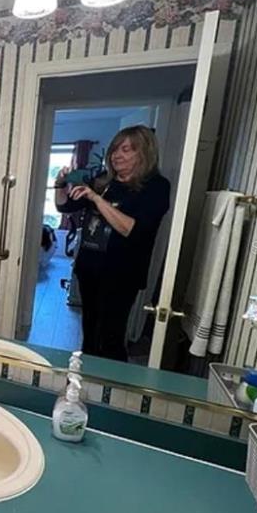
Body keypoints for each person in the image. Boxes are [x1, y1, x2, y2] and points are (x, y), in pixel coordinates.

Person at [55, 126, 171, 361]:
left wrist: (97, 199)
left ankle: (110, 382)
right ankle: (86, 376)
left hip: (121, 275)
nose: (117, 155)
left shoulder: (156, 186)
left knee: (111, 336)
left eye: (126, 150)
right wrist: (60, 185)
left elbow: (132, 229)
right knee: (89, 331)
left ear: (144, 153)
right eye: (115, 149)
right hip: (89, 269)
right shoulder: (102, 180)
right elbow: (65, 207)